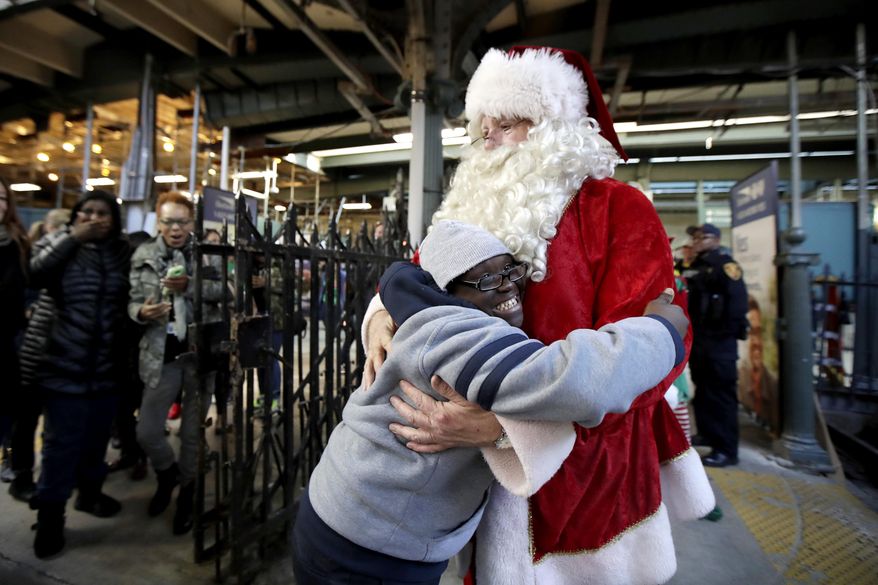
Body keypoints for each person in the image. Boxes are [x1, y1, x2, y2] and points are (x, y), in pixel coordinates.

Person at [364, 47, 714, 584]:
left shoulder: (620, 209)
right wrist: (382, 317)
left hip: (591, 478)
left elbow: (644, 360)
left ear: (558, 125)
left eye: (511, 123)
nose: (493, 142)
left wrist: (505, 428)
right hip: (473, 480)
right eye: (485, 128)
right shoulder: (469, 214)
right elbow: (413, 279)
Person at [293, 220, 692, 585]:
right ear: (447, 294)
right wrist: (661, 330)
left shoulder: (422, 313)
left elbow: (401, 275)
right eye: (483, 281)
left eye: (509, 270)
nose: (505, 286)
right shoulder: (456, 334)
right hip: (367, 548)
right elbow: (569, 380)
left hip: (350, 519)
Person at [27, 191, 131, 558]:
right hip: (63, 367)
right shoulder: (61, 245)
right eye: (86, 212)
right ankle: (50, 518)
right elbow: (35, 274)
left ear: (114, 221)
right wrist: (73, 239)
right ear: (75, 217)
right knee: (59, 448)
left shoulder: (122, 254)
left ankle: (89, 494)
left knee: (95, 442)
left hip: (107, 370)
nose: (94, 218)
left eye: (103, 213)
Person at [129, 191, 223, 535]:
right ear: (158, 222)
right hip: (161, 356)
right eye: (168, 221)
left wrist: (190, 286)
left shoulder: (207, 254)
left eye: (182, 221)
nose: (175, 228)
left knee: (191, 435)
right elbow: (133, 300)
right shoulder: (143, 254)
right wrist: (140, 312)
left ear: (192, 222)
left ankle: (187, 491)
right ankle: (167, 474)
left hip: (199, 357)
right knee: (147, 431)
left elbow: (228, 291)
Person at [10, 207, 74, 502]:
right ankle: (22, 475)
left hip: (61, 354)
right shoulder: (39, 255)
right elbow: (31, 280)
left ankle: (45, 481)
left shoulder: (80, 258)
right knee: (27, 420)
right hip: (35, 350)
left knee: (51, 426)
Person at [682, 223, 748, 468]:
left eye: (704, 236)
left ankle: (726, 449)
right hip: (700, 338)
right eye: (695, 236)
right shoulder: (695, 266)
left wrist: (725, 335)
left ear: (717, 239)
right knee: (703, 390)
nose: (698, 240)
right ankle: (708, 433)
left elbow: (738, 304)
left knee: (721, 394)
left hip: (720, 341)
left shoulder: (726, 265)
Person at [0, 177, 29, 444]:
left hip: (11, 336)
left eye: (2, 198)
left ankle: (7, 453)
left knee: (9, 399)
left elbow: (31, 285)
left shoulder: (17, 242)